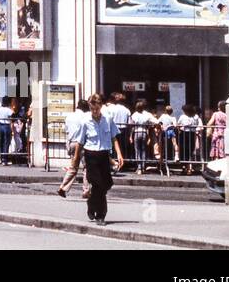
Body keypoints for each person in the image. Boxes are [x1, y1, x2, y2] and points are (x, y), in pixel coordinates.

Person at [75, 93, 125, 225]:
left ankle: (91, 203)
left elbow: (114, 137)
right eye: (92, 109)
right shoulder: (85, 120)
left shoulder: (108, 119)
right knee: (98, 184)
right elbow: (80, 142)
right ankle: (100, 215)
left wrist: (119, 154)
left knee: (107, 184)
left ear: (101, 106)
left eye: (96, 109)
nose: (94, 112)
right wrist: (75, 160)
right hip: (90, 154)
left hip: (104, 155)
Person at [57, 99, 90, 198]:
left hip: (72, 143)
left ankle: (63, 187)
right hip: (82, 143)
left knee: (73, 167)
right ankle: (86, 190)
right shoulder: (86, 117)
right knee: (87, 167)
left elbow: (67, 130)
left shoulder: (69, 116)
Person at [128, 98, 156, 173]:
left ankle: (139, 167)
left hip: (137, 132)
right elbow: (155, 121)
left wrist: (130, 136)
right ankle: (143, 166)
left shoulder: (134, 115)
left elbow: (132, 126)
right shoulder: (147, 114)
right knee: (143, 150)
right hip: (144, 132)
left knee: (137, 150)